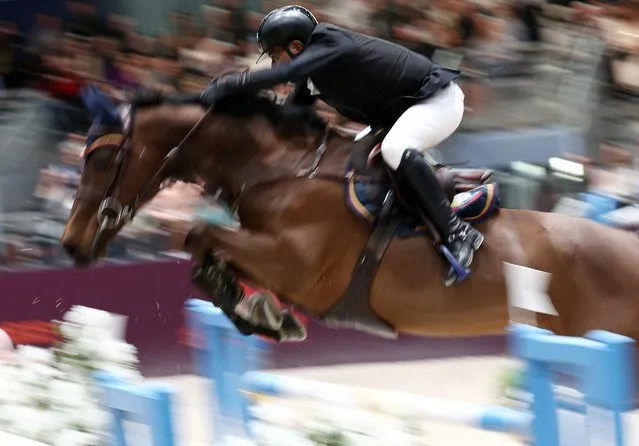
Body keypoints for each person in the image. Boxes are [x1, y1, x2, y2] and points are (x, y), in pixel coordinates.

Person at [200, 5, 484, 286]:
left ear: (297, 47)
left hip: (436, 100)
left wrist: (233, 83)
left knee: (395, 148)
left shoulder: (331, 42)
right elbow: (287, 119)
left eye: (276, 56)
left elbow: (280, 75)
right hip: (403, 112)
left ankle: (458, 233)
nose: (275, 64)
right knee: (350, 159)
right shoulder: (312, 76)